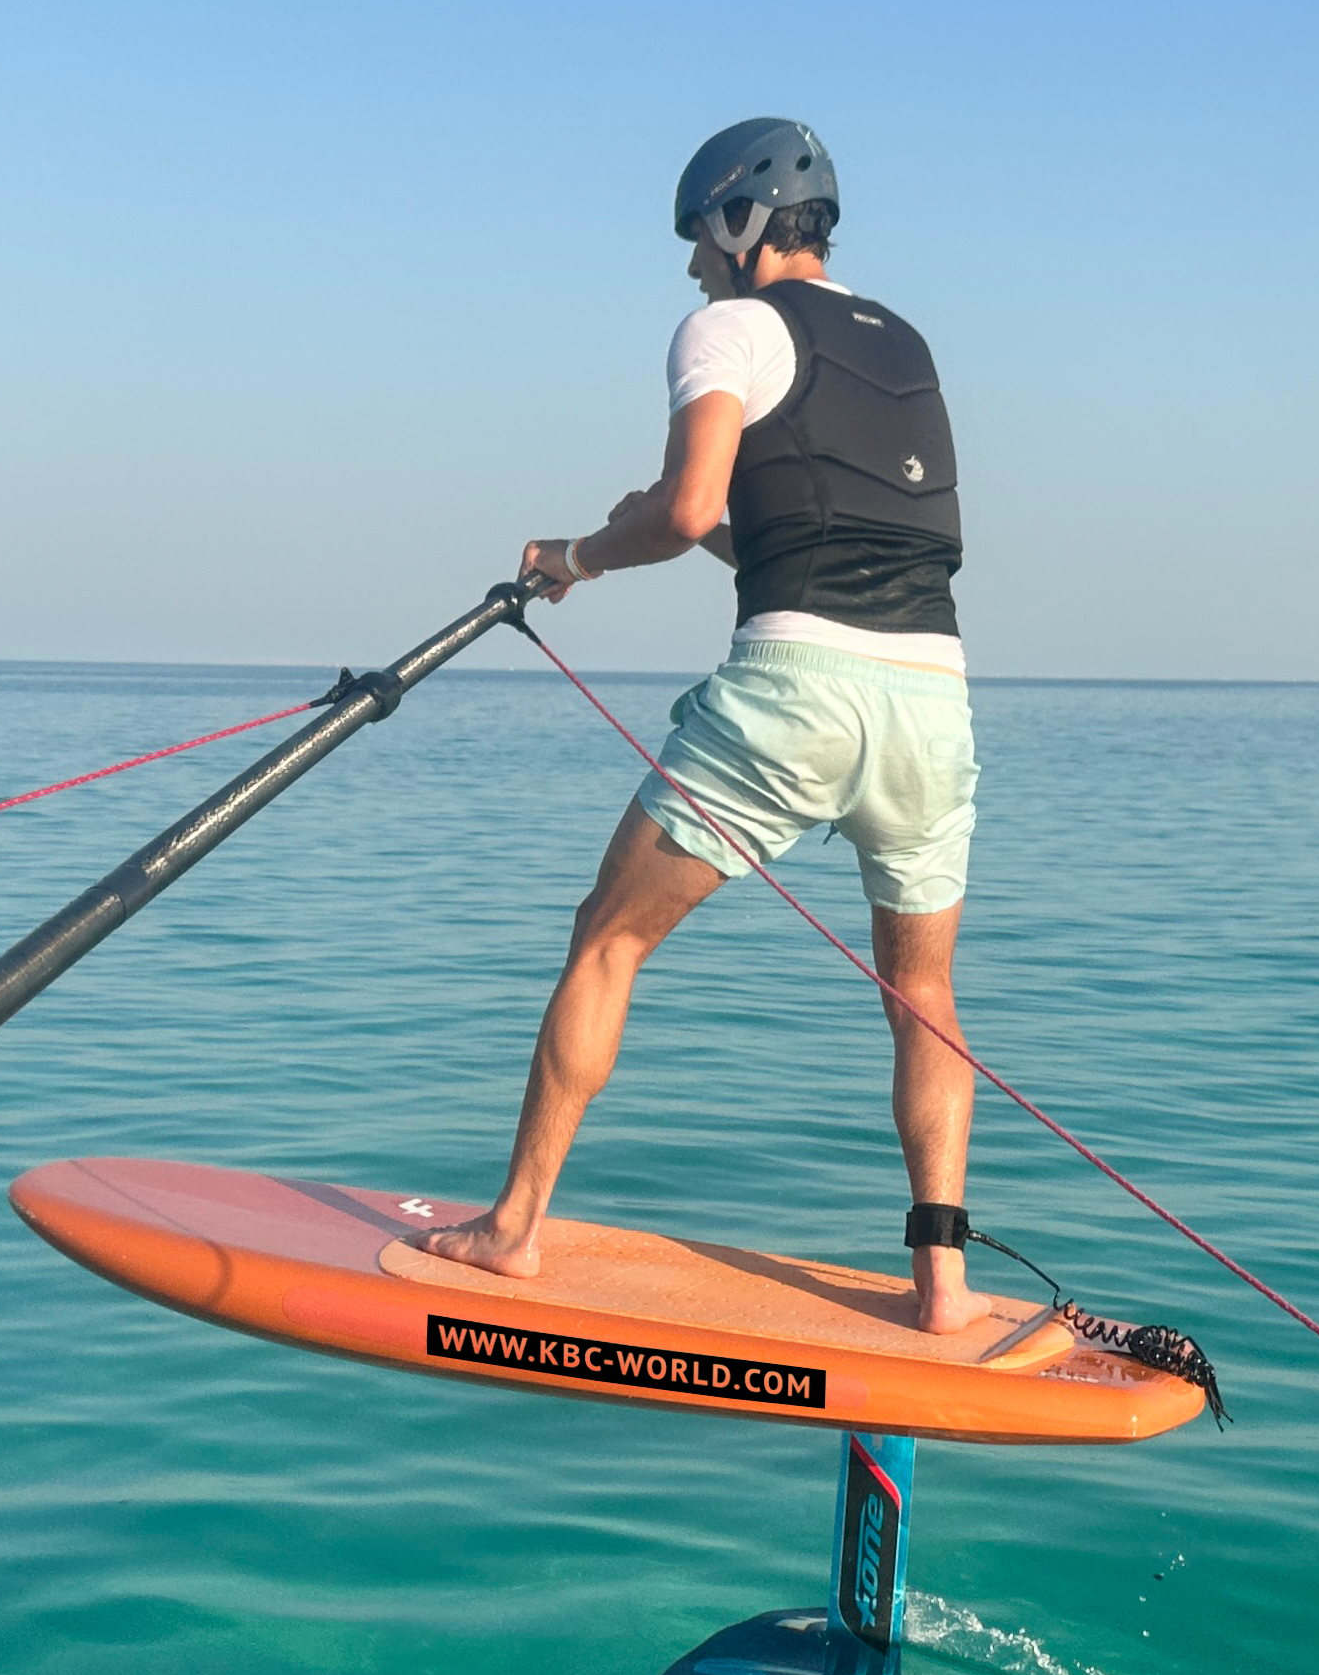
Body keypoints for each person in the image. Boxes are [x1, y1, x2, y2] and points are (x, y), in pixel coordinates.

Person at [419, 119, 994, 1334]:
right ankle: (942, 1285)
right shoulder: (909, 343)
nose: (691, 268)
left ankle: (513, 1229)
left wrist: (578, 553)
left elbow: (686, 510)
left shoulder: (727, 327)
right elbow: (835, 537)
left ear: (739, 224)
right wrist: (699, 531)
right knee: (925, 996)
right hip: (934, 699)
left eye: (697, 240)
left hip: (794, 696)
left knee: (607, 938)